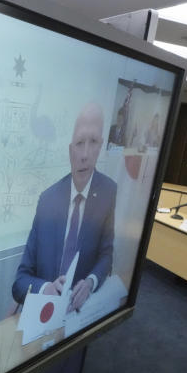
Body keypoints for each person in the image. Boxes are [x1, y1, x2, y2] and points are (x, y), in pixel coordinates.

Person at [12, 103, 116, 313]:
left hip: (80, 315)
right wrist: (46, 289)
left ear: (101, 146)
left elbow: (106, 254)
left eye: (93, 142)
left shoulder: (108, 191)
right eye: (79, 143)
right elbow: (20, 282)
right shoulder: (47, 200)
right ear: (70, 150)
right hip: (41, 316)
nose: (85, 154)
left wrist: (90, 283)